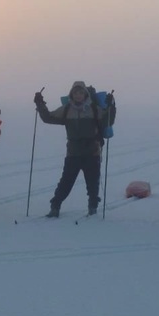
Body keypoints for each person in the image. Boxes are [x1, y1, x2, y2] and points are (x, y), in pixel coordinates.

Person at [34, 81, 116, 217]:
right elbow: (48, 118)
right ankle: (55, 206)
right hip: (73, 152)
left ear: (85, 94)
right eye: (76, 93)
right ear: (72, 94)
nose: (78, 95)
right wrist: (40, 104)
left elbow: (108, 121)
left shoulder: (94, 109)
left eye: (81, 92)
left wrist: (111, 106)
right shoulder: (66, 110)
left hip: (92, 151)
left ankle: (92, 207)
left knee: (92, 183)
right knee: (66, 182)